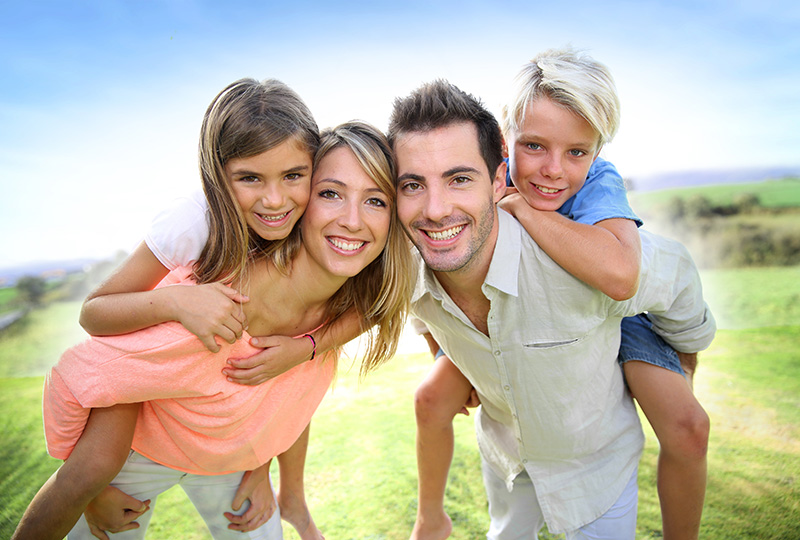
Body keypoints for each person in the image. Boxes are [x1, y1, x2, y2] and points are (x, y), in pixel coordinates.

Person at [13, 120, 412, 540]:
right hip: (139, 457)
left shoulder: (351, 301)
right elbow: (87, 370)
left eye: (376, 201)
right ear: (304, 203)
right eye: (331, 193)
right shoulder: (224, 302)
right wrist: (90, 481)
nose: (352, 220)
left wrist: (262, 464)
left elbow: (291, 393)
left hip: (231, 466)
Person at [388, 79, 716, 539]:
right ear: (508, 151)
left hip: (601, 446)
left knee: (687, 426)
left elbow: (642, 275)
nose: (552, 170)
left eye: (459, 178)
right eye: (535, 146)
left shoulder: (597, 233)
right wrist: (453, 355)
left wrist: (685, 353)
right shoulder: (407, 256)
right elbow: (419, 308)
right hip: (509, 454)